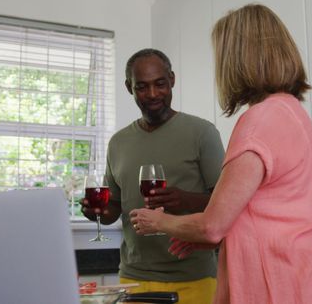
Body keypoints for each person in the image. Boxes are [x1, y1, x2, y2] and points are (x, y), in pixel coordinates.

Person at [130, 4, 312, 304]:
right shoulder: (292, 112)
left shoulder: (260, 121)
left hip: (272, 291)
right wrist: (217, 237)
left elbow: (212, 226)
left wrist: (157, 222)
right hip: (298, 285)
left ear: (238, 59)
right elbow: (263, 214)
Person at [81, 48, 225, 304]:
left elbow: (225, 204)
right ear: (129, 87)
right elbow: (114, 207)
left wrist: (184, 200)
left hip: (194, 278)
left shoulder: (202, 133)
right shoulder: (118, 143)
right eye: (142, 87)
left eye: (160, 84)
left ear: (172, 80)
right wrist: (96, 212)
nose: (153, 94)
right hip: (134, 278)